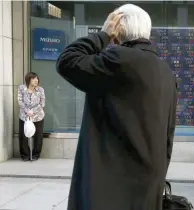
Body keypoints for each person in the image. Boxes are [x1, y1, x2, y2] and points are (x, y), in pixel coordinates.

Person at [56, 4, 177, 210]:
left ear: (117, 29)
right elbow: (168, 134)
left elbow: (67, 61)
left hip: (110, 187)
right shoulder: (166, 72)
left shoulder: (118, 60)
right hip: (148, 183)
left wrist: (102, 36)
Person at [17, 72, 45, 161]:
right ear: (29, 79)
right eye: (34, 79)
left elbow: (42, 103)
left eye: (37, 78)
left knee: (38, 136)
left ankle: (36, 155)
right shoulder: (21, 88)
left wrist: (32, 111)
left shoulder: (40, 90)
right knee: (23, 136)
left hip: (38, 116)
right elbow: (20, 101)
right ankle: (25, 155)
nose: (36, 80)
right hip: (24, 116)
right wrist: (27, 111)